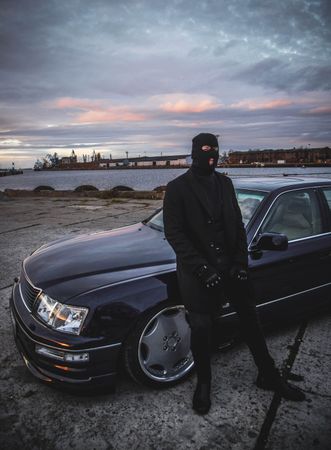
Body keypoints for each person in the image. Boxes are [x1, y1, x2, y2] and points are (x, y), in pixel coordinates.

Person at [163, 133, 305, 415]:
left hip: (231, 268)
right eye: (205, 151)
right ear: (194, 153)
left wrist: (240, 263)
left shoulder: (226, 183)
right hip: (197, 273)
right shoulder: (177, 188)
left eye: (215, 150)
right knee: (202, 330)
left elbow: (238, 226)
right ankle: (204, 384)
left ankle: (268, 375)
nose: (211, 156)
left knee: (251, 320)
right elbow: (175, 234)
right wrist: (202, 269)